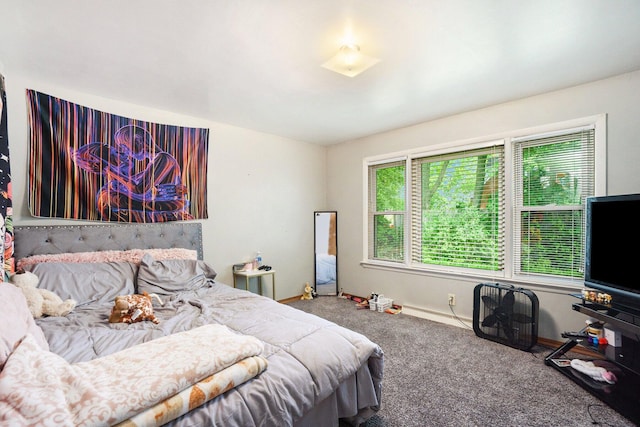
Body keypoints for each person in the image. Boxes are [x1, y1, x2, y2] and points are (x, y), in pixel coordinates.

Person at [73, 124, 193, 222]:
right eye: (120, 150)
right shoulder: (148, 167)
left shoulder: (163, 158)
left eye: (124, 147)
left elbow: (139, 189)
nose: (125, 152)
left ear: (138, 141)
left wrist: (112, 171)